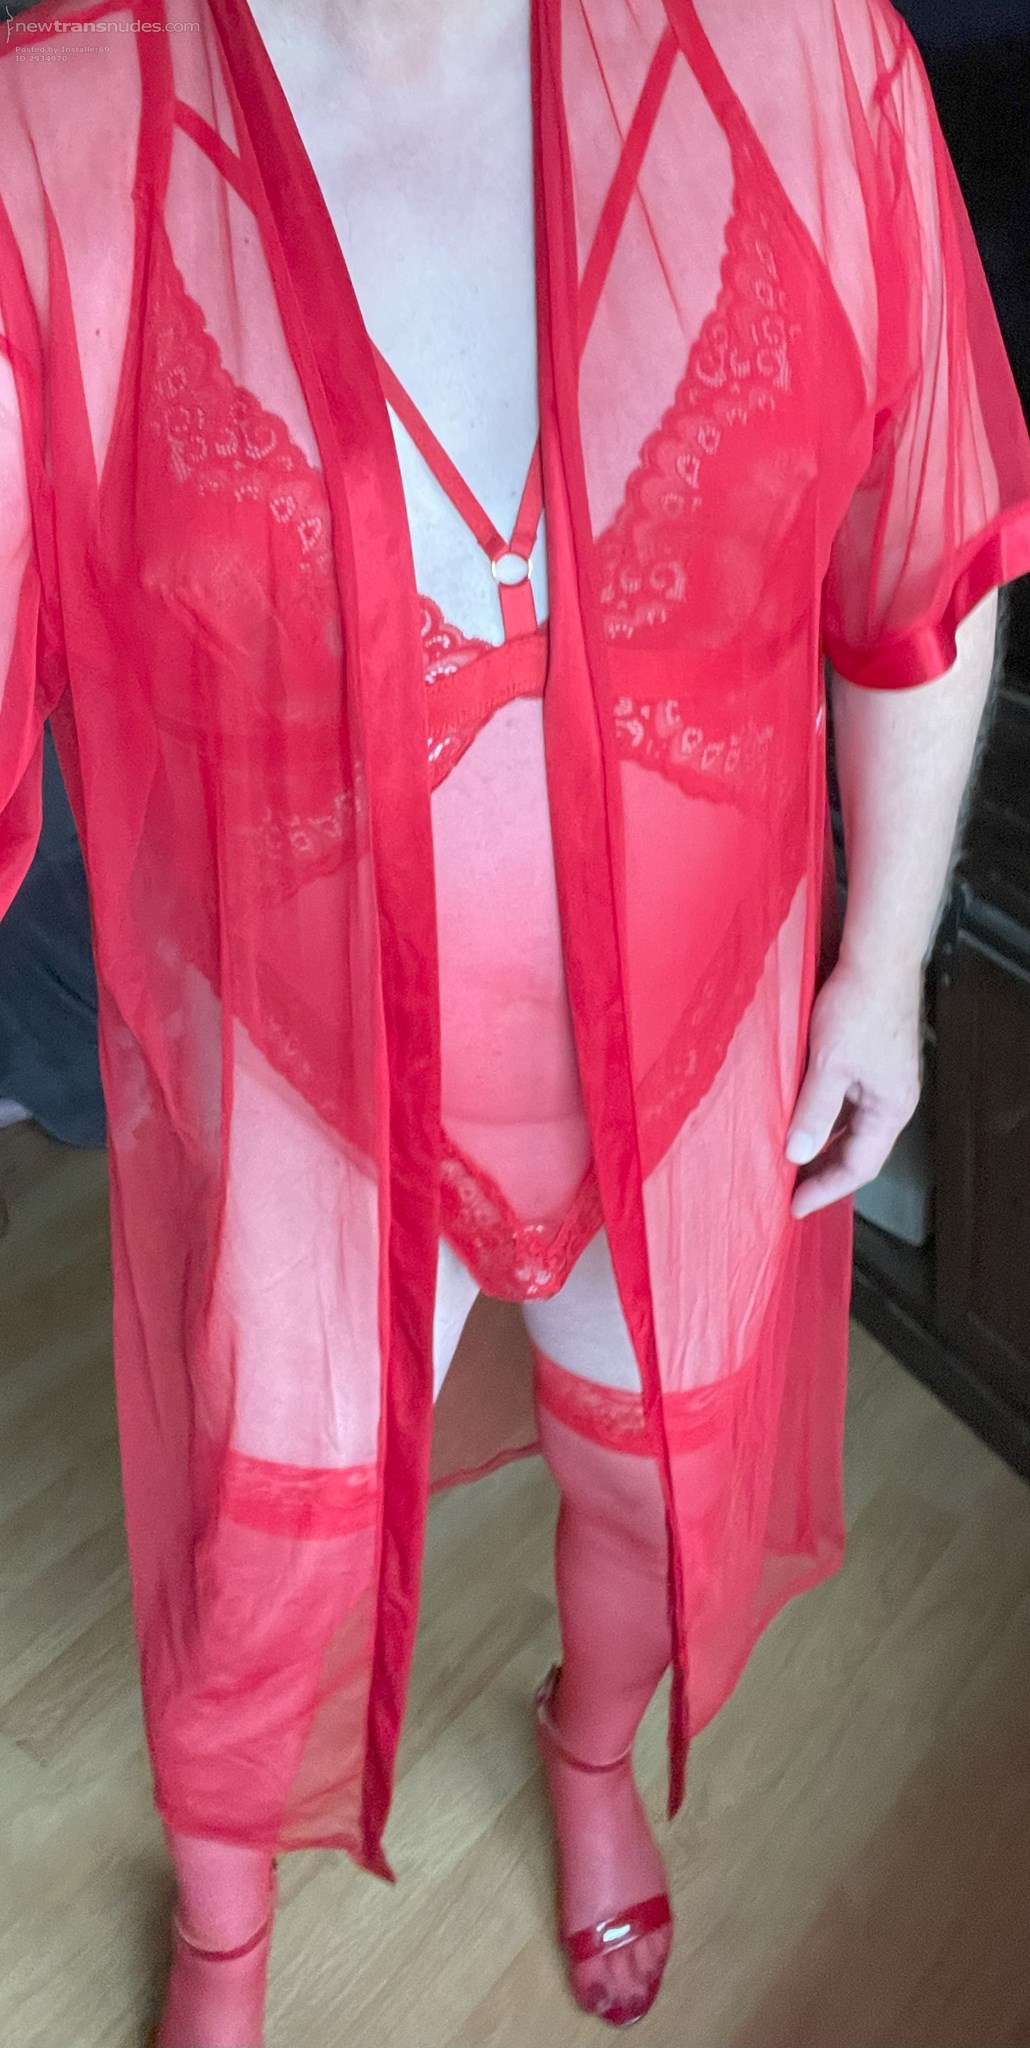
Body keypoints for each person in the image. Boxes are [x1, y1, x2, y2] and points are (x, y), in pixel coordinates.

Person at [1, 0, 1028, 2040]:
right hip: (303, 1071)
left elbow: (914, 560)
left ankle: (586, 1748)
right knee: (260, 1566)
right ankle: (224, 1933)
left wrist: (881, 963)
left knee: (644, 1482)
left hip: (696, 1046)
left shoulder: (806, 60)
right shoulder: (62, 133)